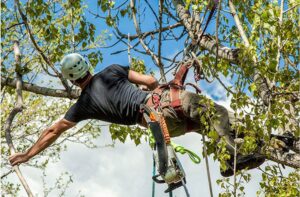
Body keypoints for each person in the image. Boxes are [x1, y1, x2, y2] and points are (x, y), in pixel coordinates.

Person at [9, 53, 264, 177]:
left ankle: (263, 146)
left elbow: (55, 129)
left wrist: (27, 154)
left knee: (214, 126)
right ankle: (233, 156)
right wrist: (149, 88)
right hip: (162, 105)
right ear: (87, 66)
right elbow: (151, 80)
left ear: (73, 81)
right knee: (217, 113)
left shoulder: (83, 105)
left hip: (158, 125)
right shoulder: (110, 71)